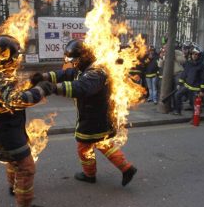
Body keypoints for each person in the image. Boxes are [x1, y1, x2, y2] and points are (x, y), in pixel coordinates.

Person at [31, 39, 137, 186]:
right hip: (97, 116)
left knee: (83, 147)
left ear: (84, 57)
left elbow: (81, 87)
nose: (72, 63)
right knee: (102, 143)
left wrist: (53, 88)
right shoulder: (83, 68)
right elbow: (66, 73)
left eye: (75, 60)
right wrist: (44, 77)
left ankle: (89, 175)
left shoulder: (96, 72)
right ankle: (127, 168)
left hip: (93, 117)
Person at [0, 35, 54, 207]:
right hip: (5, 132)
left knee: (14, 162)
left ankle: (13, 186)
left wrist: (30, 84)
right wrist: (41, 90)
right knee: (26, 167)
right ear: (5, 55)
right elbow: (15, 99)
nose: (17, 60)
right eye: (15, 56)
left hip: (8, 127)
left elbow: (10, 91)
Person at [173, 48, 204, 116]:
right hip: (187, 86)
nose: (194, 55)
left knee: (194, 104)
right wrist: (180, 83)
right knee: (177, 95)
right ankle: (178, 110)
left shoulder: (202, 66)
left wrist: (202, 91)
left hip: (196, 89)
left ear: (199, 55)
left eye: (196, 54)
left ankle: (195, 117)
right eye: (193, 54)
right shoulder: (189, 63)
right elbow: (184, 73)